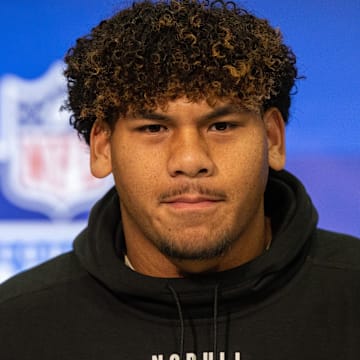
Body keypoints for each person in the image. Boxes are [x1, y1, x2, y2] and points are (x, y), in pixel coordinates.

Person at [1, 0, 359, 359]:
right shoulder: (15, 326)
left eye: (221, 126)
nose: (190, 160)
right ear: (102, 148)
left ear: (273, 139)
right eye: (154, 128)